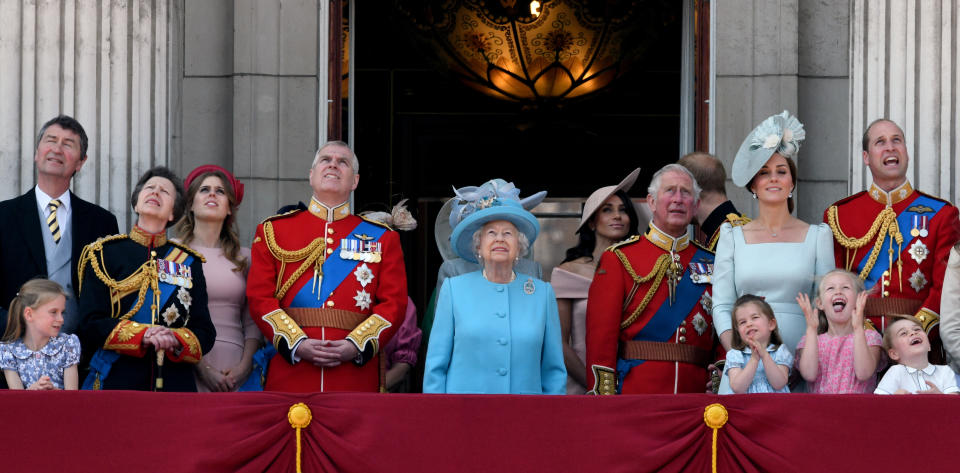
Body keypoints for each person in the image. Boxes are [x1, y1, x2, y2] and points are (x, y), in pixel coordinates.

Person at [246, 141, 408, 393]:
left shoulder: (382, 238)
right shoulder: (273, 230)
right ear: (311, 176)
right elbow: (259, 297)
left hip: (354, 376)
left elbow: (394, 304)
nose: (333, 164)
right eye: (325, 159)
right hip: (292, 372)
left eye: (343, 162)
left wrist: (355, 345)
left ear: (354, 181)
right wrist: (296, 343)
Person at [712, 111, 835, 392]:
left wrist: (805, 357)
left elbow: (824, 305)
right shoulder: (732, 237)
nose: (773, 179)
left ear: (792, 182)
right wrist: (741, 355)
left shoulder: (818, 236)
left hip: (804, 362)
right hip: (744, 365)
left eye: (781, 171)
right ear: (753, 185)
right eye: (764, 173)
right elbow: (721, 304)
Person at [824, 119, 960, 348]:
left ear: (906, 152)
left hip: (921, 343)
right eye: (880, 142)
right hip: (859, 342)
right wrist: (864, 334)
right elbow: (835, 286)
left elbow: (945, 289)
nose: (890, 147)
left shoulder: (942, 214)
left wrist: (913, 334)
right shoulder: (839, 215)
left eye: (897, 140)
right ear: (866, 157)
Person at [77, 167, 215, 391]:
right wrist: (142, 335)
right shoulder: (104, 253)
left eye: (165, 192)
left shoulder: (189, 262)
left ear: (173, 213)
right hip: (118, 379)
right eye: (150, 188)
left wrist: (175, 338)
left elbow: (205, 331)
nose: (156, 192)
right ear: (136, 203)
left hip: (174, 382)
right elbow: (90, 322)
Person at [423, 179, 566, 394]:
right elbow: (435, 367)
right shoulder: (454, 290)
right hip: (464, 415)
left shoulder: (541, 294)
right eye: (491, 233)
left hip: (525, 415)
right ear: (478, 244)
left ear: (520, 246)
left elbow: (553, 370)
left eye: (508, 233)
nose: (500, 239)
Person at [585, 163, 716, 395]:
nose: (677, 199)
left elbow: (726, 329)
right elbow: (601, 337)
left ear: (695, 206)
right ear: (652, 202)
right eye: (669, 191)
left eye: (685, 192)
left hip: (696, 396)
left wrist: (719, 380)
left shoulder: (713, 261)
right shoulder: (619, 258)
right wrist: (603, 397)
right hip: (637, 393)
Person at [0, 116, 118, 336]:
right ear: (37, 153)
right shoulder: (4, 216)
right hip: (12, 352)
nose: (57, 149)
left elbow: (108, 299)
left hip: (80, 356)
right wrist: (17, 331)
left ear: (81, 161)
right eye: (51, 140)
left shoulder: (102, 222)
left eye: (68, 144)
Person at [553, 168, 641, 394]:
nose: (617, 216)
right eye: (607, 210)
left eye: (623, 210)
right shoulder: (568, 272)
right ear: (591, 222)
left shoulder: (643, 270)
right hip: (582, 386)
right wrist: (596, 386)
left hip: (634, 383)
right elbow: (559, 344)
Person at [173, 165, 261, 392]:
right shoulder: (173, 253)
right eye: (204, 189)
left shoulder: (245, 257)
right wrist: (203, 368)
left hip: (236, 364)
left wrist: (244, 367)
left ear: (230, 208)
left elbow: (252, 322)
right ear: (190, 204)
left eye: (220, 191)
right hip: (186, 362)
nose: (212, 194)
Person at [795, 269, 883, 393]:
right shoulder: (810, 340)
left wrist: (858, 328)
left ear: (858, 300)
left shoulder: (870, 337)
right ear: (820, 303)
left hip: (858, 409)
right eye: (830, 288)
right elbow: (809, 375)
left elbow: (864, 373)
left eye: (846, 287)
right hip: (821, 410)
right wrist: (811, 329)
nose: (838, 291)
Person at [0, 279, 80, 390]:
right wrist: (33, 392)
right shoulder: (8, 351)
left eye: (62, 312)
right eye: (53, 312)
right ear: (29, 314)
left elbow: (73, 397)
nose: (61, 319)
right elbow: (16, 400)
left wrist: (53, 391)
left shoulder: (68, 345)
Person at [678, 152, 750, 250]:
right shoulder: (735, 230)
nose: (676, 198)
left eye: (681, 190)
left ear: (692, 190)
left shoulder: (726, 238)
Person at [725, 295, 793, 394]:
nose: (749, 324)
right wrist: (754, 359)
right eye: (742, 322)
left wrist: (764, 355)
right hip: (747, 407)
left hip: (776, 406)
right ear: (738, 331)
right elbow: (738, 388)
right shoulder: (735, 355)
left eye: (755, 317)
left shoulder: (780, 351)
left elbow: (779, 383)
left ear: (771, 324)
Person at [875, 315, 959, 394]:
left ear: (929, 345)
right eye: (903, 333)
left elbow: (955, 406)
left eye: (917, 329)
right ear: (894, 354)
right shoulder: (895, 372)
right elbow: (877, 405)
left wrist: (940, 397)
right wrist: (893, 400)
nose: (913, 333)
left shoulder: (945, 371)